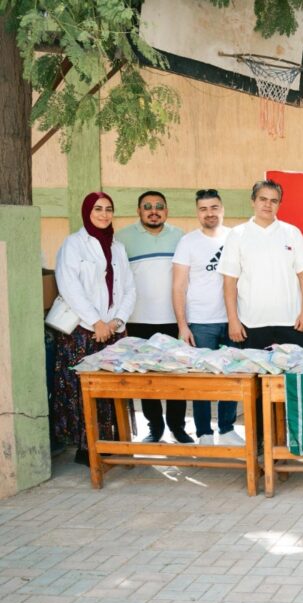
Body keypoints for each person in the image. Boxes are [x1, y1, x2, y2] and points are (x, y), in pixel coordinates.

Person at [51, 192, 135, 464]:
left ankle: (113, 441)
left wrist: (116, 321)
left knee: (113, 388)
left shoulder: (118, 247)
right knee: (83, 390)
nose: (104, 214)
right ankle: (87, 448)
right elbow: (69, 286)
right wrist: (96, 322)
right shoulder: (74, 244)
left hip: (113, 331)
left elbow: (129, 288)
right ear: (87, 212)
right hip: (83, 331)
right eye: (97, 209)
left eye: (108, 209)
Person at [115, 191, 190, 443]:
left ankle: (178, 427)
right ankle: (155, 427)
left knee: (176, 375)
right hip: (138, 320)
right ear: (138, 211)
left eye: (159, 206)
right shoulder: (122, 238)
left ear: (166, 211)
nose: (153, 211)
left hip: (174, 319)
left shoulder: (180, 237)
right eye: (147, 206)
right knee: (146, 377)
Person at [172, 189, 240, 445]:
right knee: (201, 380)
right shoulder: (188, 242)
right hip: (201, 322)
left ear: (222, 209)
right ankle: (204, 433)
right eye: (203, 209)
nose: (209, 213)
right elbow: (178, 286)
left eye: (214, 207)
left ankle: (227, 429)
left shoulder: (236, 237)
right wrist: (183, 325)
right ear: (197, 213)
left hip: (233, 319)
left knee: (232, 377)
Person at [217, 179, 303, 351]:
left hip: (291, 322)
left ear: (279, 204)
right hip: (251, 323)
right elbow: (229, 282)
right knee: (252, 370)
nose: (268, 205)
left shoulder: (292, 233)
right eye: (263, 199)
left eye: (273, 201)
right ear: (253, 201)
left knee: (296, 369)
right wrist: (233, 320)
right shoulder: (237, 234)